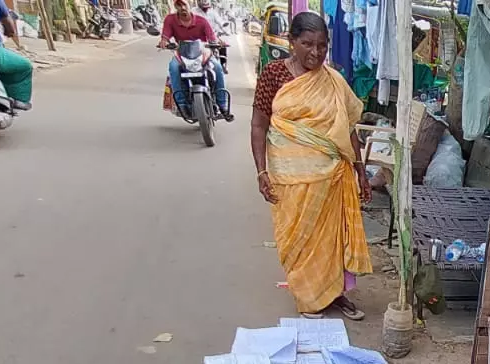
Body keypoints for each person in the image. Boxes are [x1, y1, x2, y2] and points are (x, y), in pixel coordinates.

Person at [251, 12, 372, 320]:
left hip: (332, 175)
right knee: (299, 238)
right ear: (292, 42)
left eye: (322, 45)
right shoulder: (274, 75)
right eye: (307, 44)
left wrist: (361, 172)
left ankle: (335, 293)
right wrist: (261, 171)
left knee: (332, 237)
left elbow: (348, 129)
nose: (315, 53)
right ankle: (310, 296)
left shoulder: (334, 80)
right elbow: (258, 125)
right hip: (288, 176)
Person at [159, 0, 231, 120]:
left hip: (202, 52)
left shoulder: (201, 21)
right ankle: (181, 104)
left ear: (189, 6)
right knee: (173, 67)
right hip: (182, 53)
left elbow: (212, 37)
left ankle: (222, 105)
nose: (182, 8)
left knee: (218, 67)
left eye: (184, 5)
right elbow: (165, 36)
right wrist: (164, 42)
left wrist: (218, 43)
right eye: (179, 5)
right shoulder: (170, 20)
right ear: (175, 7)